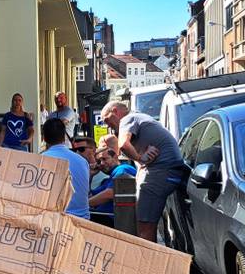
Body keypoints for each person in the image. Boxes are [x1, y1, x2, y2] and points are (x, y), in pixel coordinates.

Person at [100, 100, 187, 242]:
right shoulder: (142, 118)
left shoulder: (127, 119)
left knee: (144, 227)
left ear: (115, 111)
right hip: (167, 172)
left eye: (106, 120)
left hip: (158, 174)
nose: (106, 124)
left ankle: (148, 262)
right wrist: (141, 160)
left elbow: (123, 144)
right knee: (146, 224)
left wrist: (140, 158)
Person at [39, 118, 90, 219]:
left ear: (43, 138)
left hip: (54, 221)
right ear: (64, 138)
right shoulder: (82, 161)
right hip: (83, 221)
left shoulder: (40, 160)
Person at [89, 146, 137, 224]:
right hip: (103, 216)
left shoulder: (123, 169)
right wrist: (90, 175)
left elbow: (110, 194)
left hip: (113, 219)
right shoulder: (108, 180)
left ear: (115, 157)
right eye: (98, 161)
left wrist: (84, 205)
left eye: (104, 159)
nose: (102, 163)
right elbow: (90, 195)